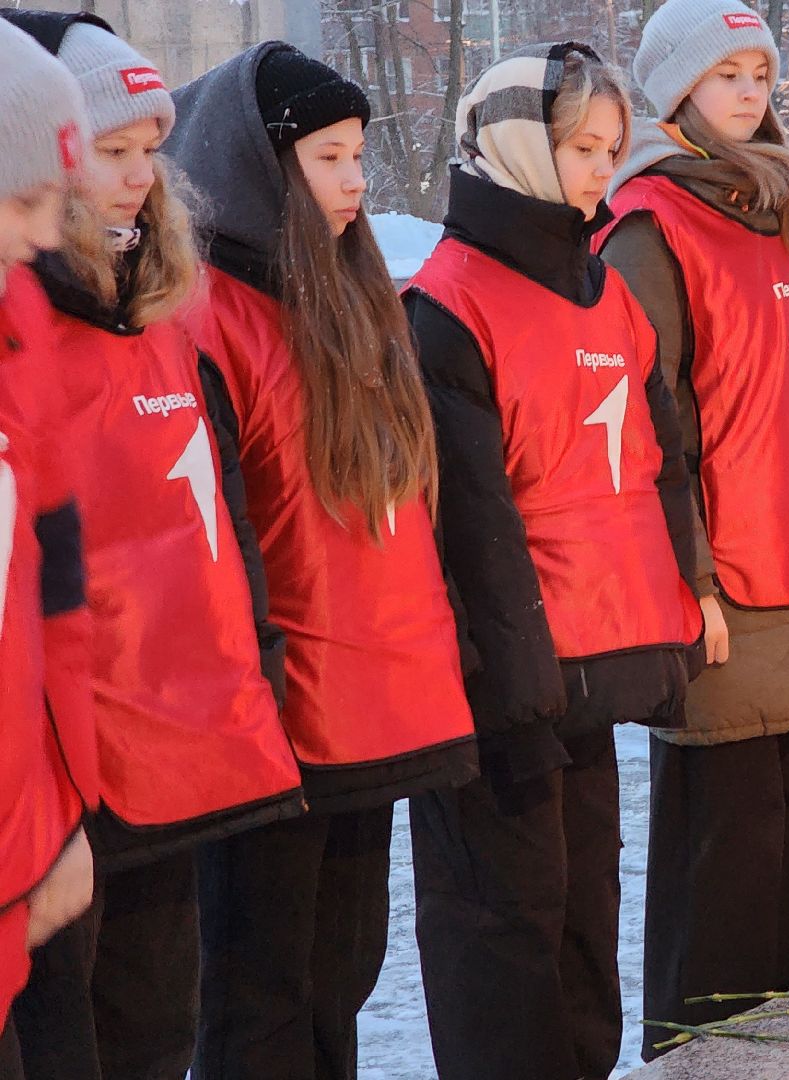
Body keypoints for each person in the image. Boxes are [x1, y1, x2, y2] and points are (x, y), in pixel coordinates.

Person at [167, 43, 479, 1080]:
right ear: (261, 166)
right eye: (328, 158)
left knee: (339, 973)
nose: (355, 182)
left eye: (359, 156)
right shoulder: (208, 316)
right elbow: (219, 536)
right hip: (278, 709)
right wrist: (255, 692)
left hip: (372, 698)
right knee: (257, 992)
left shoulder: (351, 294)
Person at [0, 15, 302, 1080]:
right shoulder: (26, 322)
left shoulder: (173, 309)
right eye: (110, 150)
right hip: (68, 758)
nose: (137, 176)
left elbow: (223, 516)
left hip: (181, 733)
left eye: (149, 149)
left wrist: (255, 666)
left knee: (157, 1024)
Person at [403, 42, 702, 1080]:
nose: (601, 170)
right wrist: (511, 673)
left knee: (584, 912)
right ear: (519, 146)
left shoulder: (604, 288)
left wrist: (679, 603)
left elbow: (659, 465)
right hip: (504, 683)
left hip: (595, 661)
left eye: (613, 149)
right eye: (582, 148)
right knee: (503, 923)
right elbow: (470, 520)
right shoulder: (448, 302)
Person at [595, 0, 789, 1056]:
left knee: (786, 830)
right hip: (725, 578)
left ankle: (775, 1054)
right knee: (722, 844)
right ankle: (702, 1058)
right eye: (727, 74)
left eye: (760, 72)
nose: (751, 92)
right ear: (677, 90)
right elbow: (651, 422)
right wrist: (693, 580)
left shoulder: (762, 211)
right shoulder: (651, 225)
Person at [0, 21, 98, 1077]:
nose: (42, 235)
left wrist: (61, 816)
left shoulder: (19, 313)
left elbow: (53, 596)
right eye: (22, 201)